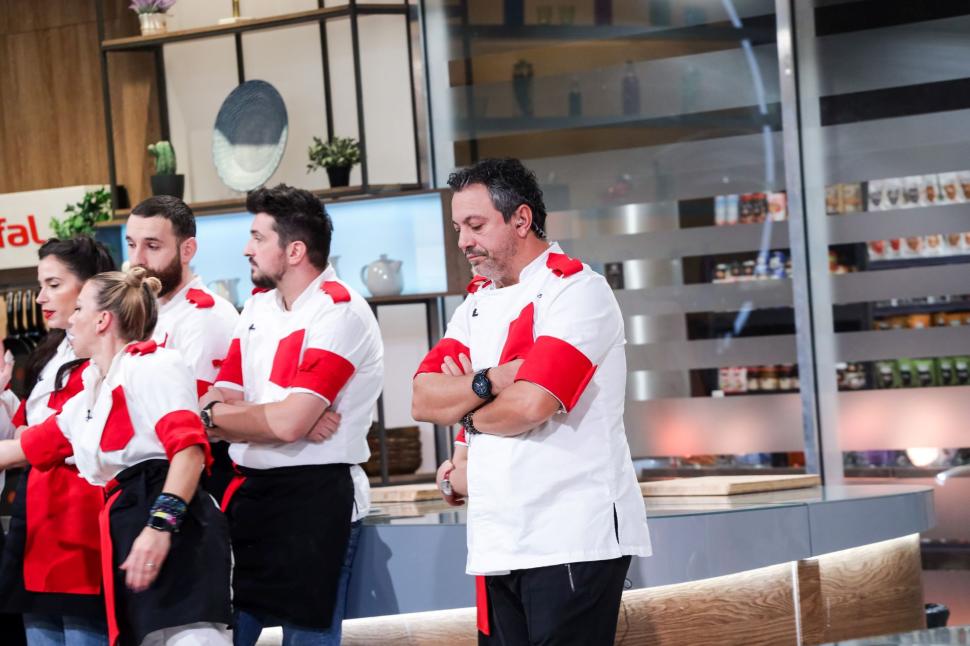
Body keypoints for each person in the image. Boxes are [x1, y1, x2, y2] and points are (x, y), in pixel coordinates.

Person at [412, 158, 652, 646]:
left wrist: (465, 415)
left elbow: (531, 406)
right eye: (459, 228)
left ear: (521, 219)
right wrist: (493, 380)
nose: (463, 241)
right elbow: (422, 398)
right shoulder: (474, 305)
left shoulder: (577, 291)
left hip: (570, 538)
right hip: (497, 541)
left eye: (476, 225)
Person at [0, 267, 232, 646]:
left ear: (103, 320)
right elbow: (24, 448)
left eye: (79, 309)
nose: (70, 320)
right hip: (126, 526)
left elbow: (189, 452)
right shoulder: (90, 393)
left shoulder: (155, 365)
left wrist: (160, 527)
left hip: (177, 529)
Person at [199, 184, 383, 646]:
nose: (247, 249)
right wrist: (262, 417)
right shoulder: (257, 306)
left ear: (295, 250)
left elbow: (286, 423)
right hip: (251, 498)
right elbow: (216, 402)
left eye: (258, 238)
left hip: (316, 501)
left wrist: (241, 418)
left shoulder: (340, 312)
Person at [0, 236, 116, 646]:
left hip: (80, 517)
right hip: (37, 516)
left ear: (90, 289)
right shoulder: (51, 353)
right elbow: (25, 426)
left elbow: (62, 435)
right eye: (40, 286)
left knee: (82, 633)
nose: (40, 298)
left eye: (53, 285)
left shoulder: (108, 357)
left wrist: (26, 444)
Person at [125, 195, 239, 500]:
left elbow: (195, 418)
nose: (137, 260)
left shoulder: (207, 316)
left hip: (194, 480)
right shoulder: (142, 313)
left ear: (187, 250)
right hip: (149, 472)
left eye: (152, 246)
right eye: (131, 245)